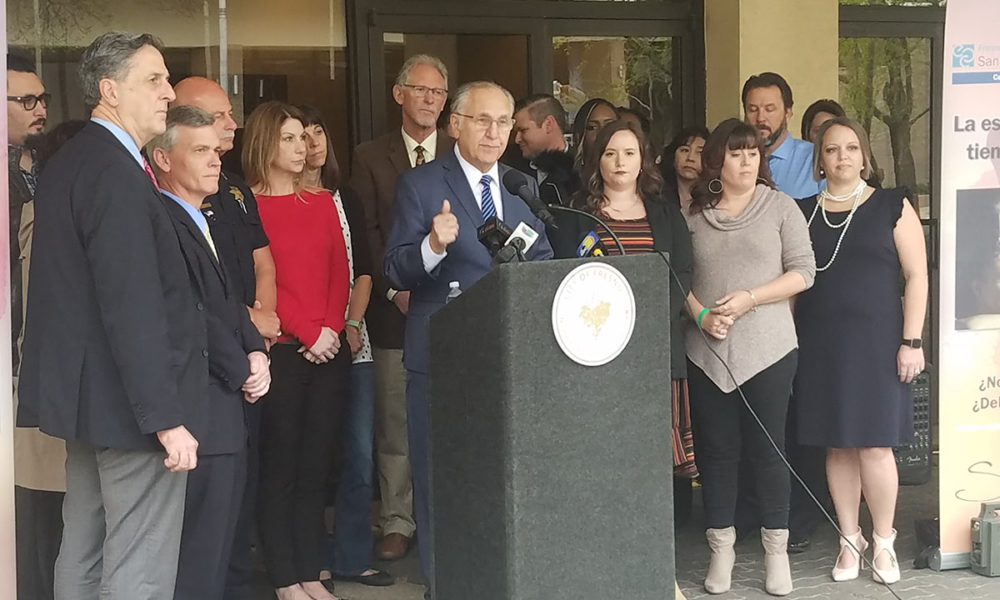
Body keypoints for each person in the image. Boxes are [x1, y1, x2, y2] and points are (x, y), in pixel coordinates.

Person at [17, 31, 203, 600]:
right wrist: (164, 417)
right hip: (130, 409)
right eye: (153, 79)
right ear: (109, 91)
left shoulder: (77, 161)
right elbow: (131, 303)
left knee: (86, 546)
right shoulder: (115, 172)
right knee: (139, 561)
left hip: (90, 403)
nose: (168, 92)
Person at [383, 80, 554, 599]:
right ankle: (447, 586)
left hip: (506, 360)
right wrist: (434, 245)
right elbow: (395, 267)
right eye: (482, 120)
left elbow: (544, 263)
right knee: (442, 484)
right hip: (442, 358)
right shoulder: (420, 184)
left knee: (498, 482)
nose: (494, 132)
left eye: (504, 122)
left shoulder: (522, 189)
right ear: (455, 124)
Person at [683, 118, 815, 596]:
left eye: (753, 153)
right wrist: (702, 315)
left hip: (770, 348)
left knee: (769, 451)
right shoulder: (693, 214)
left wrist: (749, 298)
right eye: (736, 153)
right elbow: (679, 278)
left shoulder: (780, 207)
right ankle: (722, 550)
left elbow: (804, 272)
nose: (746, 161)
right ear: (717, 160)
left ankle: (775, 554)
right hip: (707, 352)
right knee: (717, 454)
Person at [793, 116, 927, 585]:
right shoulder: (801, 210)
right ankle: (850, 539)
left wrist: (912, 341)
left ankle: (884, 540)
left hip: (879, 345)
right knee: (838, 445)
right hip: (822, 345)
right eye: (832, 149)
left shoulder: (893, 205)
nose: (842, 156)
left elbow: (917, 276)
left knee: (874, 444)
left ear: (864, 156)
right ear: (820, 159)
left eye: (851, 148)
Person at [147, 105, 272, 600]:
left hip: (225, 411)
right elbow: (192, 310)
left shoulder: (202, 217)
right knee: (198, 559)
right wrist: (243, 365)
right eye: (199, 151)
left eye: (216, 150)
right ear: (162, 158)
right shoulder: (164, 220)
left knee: (221, 550)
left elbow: (227, 300)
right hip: (201, 410)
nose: (216, 161)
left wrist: (256, 352)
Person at [243, 101, 353, 600]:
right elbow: (264, 283)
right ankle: (285, 578)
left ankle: (311, 572)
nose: (301, 146)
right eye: (287, 138)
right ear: (265, 143)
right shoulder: (246, 206)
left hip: (327, 353)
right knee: (281, 467)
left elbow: (340, 271)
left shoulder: (324, 201)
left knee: (316, 468)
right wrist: (310, 332)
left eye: (301, 138)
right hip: (284, 351)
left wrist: (331, 327)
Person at [350, 54, 453, 562]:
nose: (431, 99)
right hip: (394, 310)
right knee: (396, 422)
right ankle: (397, 519)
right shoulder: (370, 156)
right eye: (421, 90)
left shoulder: (463, 152)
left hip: (456, 310)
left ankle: (453, 516)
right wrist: (395, 288)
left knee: (456, 417)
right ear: (399, 94)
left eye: (439, 92)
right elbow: (367, 232)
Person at [296, 104, 393, 589]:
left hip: (354, 340)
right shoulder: (272, 200)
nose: (311, 142)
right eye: (300, 133)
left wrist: (353, 322)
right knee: (309, 455)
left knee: (358, 452)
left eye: (318, 131)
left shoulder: (346, 197)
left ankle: (353, 553)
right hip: (301, 343)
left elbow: (365, 269)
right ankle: (310, 559)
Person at [8, 51, 64, 600]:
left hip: (39, 361)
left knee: (51, 514)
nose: (39, 108)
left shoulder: (45, 168)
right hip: (14, 357)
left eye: (42, 98)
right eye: (25, 100)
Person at [742, 72, 821, 200]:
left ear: (787, 114)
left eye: (769, 109)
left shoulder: (815, 158)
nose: (760, 118)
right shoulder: (734, 160)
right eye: (753, 110)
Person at [511, 93, 578, 206]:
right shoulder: (511, 171)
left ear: (548, 125)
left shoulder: (583, 168)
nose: (517, 139)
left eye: (523, 130)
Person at [660, 125, 710, 213]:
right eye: (685, 150)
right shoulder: (657, 195)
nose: (690, 158)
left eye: (699, 152)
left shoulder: (715, 199)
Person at [571, 97, 619, 176]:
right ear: (579, 136)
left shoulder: (635, 179)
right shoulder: (565, 183)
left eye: (609, 125)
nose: (602, 132)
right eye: (592, 127)